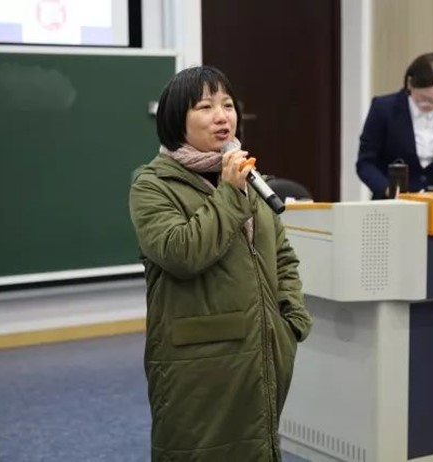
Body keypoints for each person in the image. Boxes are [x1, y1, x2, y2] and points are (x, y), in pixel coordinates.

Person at [129, 65, 313, 461]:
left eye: (227, 105)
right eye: (205, 107)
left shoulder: (247, 178)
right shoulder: (152, 186)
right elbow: (182, 254)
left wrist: (290, 320)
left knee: (258, 448)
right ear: (176, 119)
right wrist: (229, 193)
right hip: (197, 361)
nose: (222, 116)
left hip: (262, 350)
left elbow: (282, 256)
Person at [356, 52, 433, 198]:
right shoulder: (384, 108)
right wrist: (387, 189)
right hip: (393, 202)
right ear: (410, 83)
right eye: (423, 98)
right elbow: (366, 163)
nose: (429, 105)